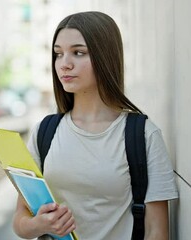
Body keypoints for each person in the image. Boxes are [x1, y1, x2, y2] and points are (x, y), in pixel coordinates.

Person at [13, 11, 178, 240]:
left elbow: (157, 232)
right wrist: (39, 225)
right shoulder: (45, 132)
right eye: (58, 54)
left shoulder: (143, 135)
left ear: (105, 56)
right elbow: (20, 220)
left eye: (78, 53)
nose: (64, 64)